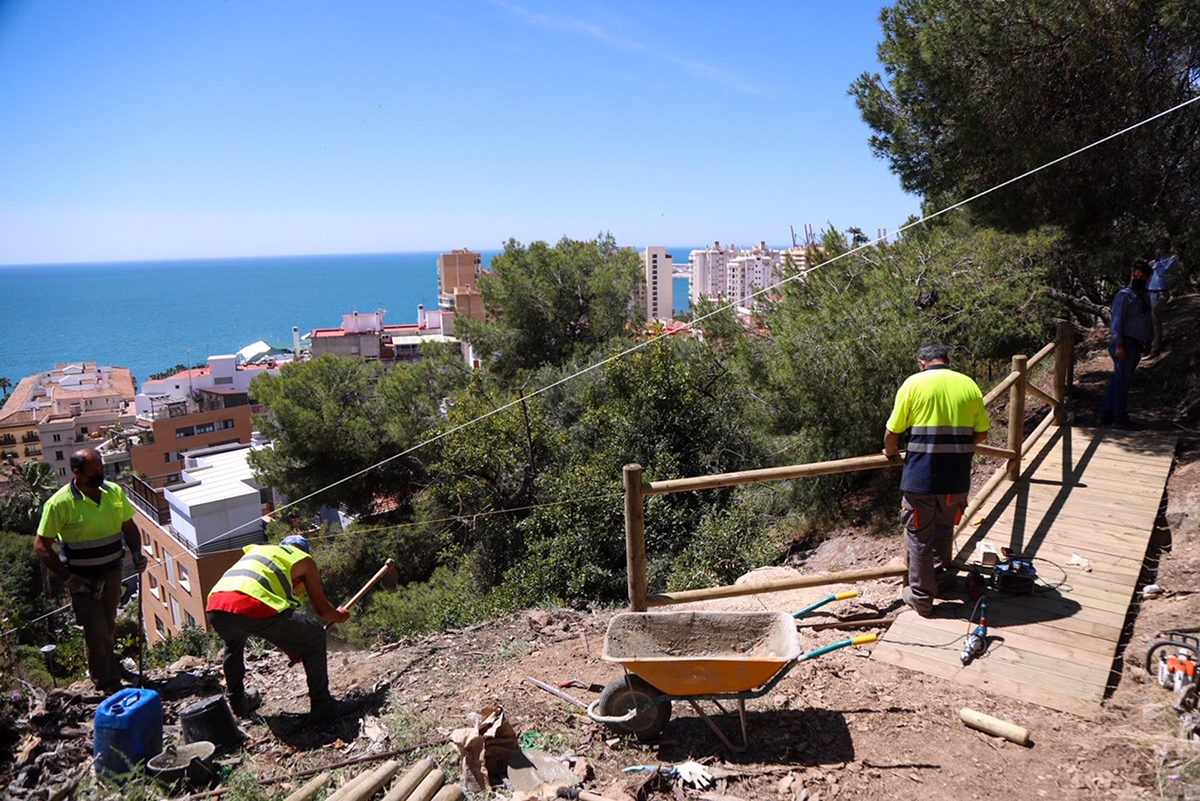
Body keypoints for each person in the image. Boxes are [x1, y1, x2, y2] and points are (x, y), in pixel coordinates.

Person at [883, 343, 989, 617]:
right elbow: (982, 434)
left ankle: (921, 598)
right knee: (943, 531)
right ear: (946, 360)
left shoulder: (914, 384)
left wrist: (890, 452)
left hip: (921, 478)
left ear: (922, 362)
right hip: (956, 478)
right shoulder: (968, 385)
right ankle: (938, 583)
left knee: (919, 537)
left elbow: (893, 432)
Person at [34, 448, 147, 693]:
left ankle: (111, 666)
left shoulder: (113, 492)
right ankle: (106, 684)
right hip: (83, 579)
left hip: (112, 571)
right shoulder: (59, 503)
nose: (100, 474)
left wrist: (137, 553)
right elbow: (41, 546)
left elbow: (129, 527)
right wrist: (68, 579)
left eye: (101, 469)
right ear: (77, 472)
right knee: (94, 629)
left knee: (108, 624)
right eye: (94, 471)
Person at [205, 535, 350, 720]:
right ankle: (323, 707)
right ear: (304, 550)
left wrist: (290, 648)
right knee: (315, 637)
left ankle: (238, 703)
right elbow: (323, 611)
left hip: (216, 606)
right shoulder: (304, 560)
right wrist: (340, 615)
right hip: (252, 604)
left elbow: (274, 624)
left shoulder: (260, 551)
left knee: (234, 644)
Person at [1100, 261, 1154, 427]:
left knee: (1120, 379)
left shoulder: (1144, 295)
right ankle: (1120, 419)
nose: (1138, 278)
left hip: (1136, 343)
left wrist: (1148, 341)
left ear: (1148, 277)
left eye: (1142, 276)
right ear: (1131, 275)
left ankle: (1106, 415)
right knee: (1122, 382)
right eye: (1135, 275)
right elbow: (1116, 322)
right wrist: (1119, 345)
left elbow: (1147, 319)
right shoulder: (1124, 296)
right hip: (1125, 343)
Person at [1146, 239, 1181, 359]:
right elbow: (1148, 268)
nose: (1162, 248)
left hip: (1162, 292)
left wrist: (1157, 260)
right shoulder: (1157, 261)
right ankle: (1151, 344)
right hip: (1152, 291)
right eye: (1161, 246)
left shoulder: (1172, 260)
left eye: (1164, 246)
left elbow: (1163, 272)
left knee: (1155, 316)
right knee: (1153, 319)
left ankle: (1155, 348)